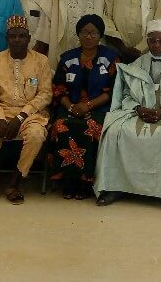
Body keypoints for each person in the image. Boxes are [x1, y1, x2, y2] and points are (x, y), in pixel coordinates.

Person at [94, 20, 161, 210]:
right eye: (153, 41)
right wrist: (138, 109)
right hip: (140, 112)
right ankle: (114, 186)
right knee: (115, 131)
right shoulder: (136, 64)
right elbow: (125, 94)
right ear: (148, 41)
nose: (157, 45)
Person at [0, 16, 53, 205]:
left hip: (30, 115)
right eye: (13, 36)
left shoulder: (41, 61)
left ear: (29, 38)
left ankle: (16, 179)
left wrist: (21, 116)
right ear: (7, 38)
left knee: (37, 135)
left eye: (22, 36)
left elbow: (46, 94)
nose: (17, 40)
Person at [46, 14, 119, 200]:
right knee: (62, 126)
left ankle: (86, 182)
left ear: (100, 35)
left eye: (93, 33)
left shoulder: (110, 58)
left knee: (90, 128)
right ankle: (68, 182)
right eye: (84, 32)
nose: (88, 37)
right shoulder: (67, 58)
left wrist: (87, 106)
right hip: (69, 108)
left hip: (99, 109)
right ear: (78, 34)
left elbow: (113, 91)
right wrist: (71, 107)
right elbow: (59, 89)